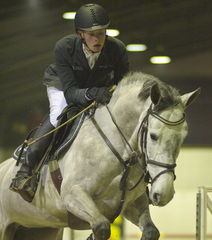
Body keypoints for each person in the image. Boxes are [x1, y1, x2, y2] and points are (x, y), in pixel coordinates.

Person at [10, 3, 129, 202]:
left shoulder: (117, 49)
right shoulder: (64, 47)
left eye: (101, 33)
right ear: (80, 33)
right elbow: (72, 92)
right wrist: (92, 93)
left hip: (97, 87)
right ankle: (25, 173)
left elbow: (123, 83)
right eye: (91, 34)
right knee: (60, 114)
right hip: (63, 86)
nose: (97, 39)